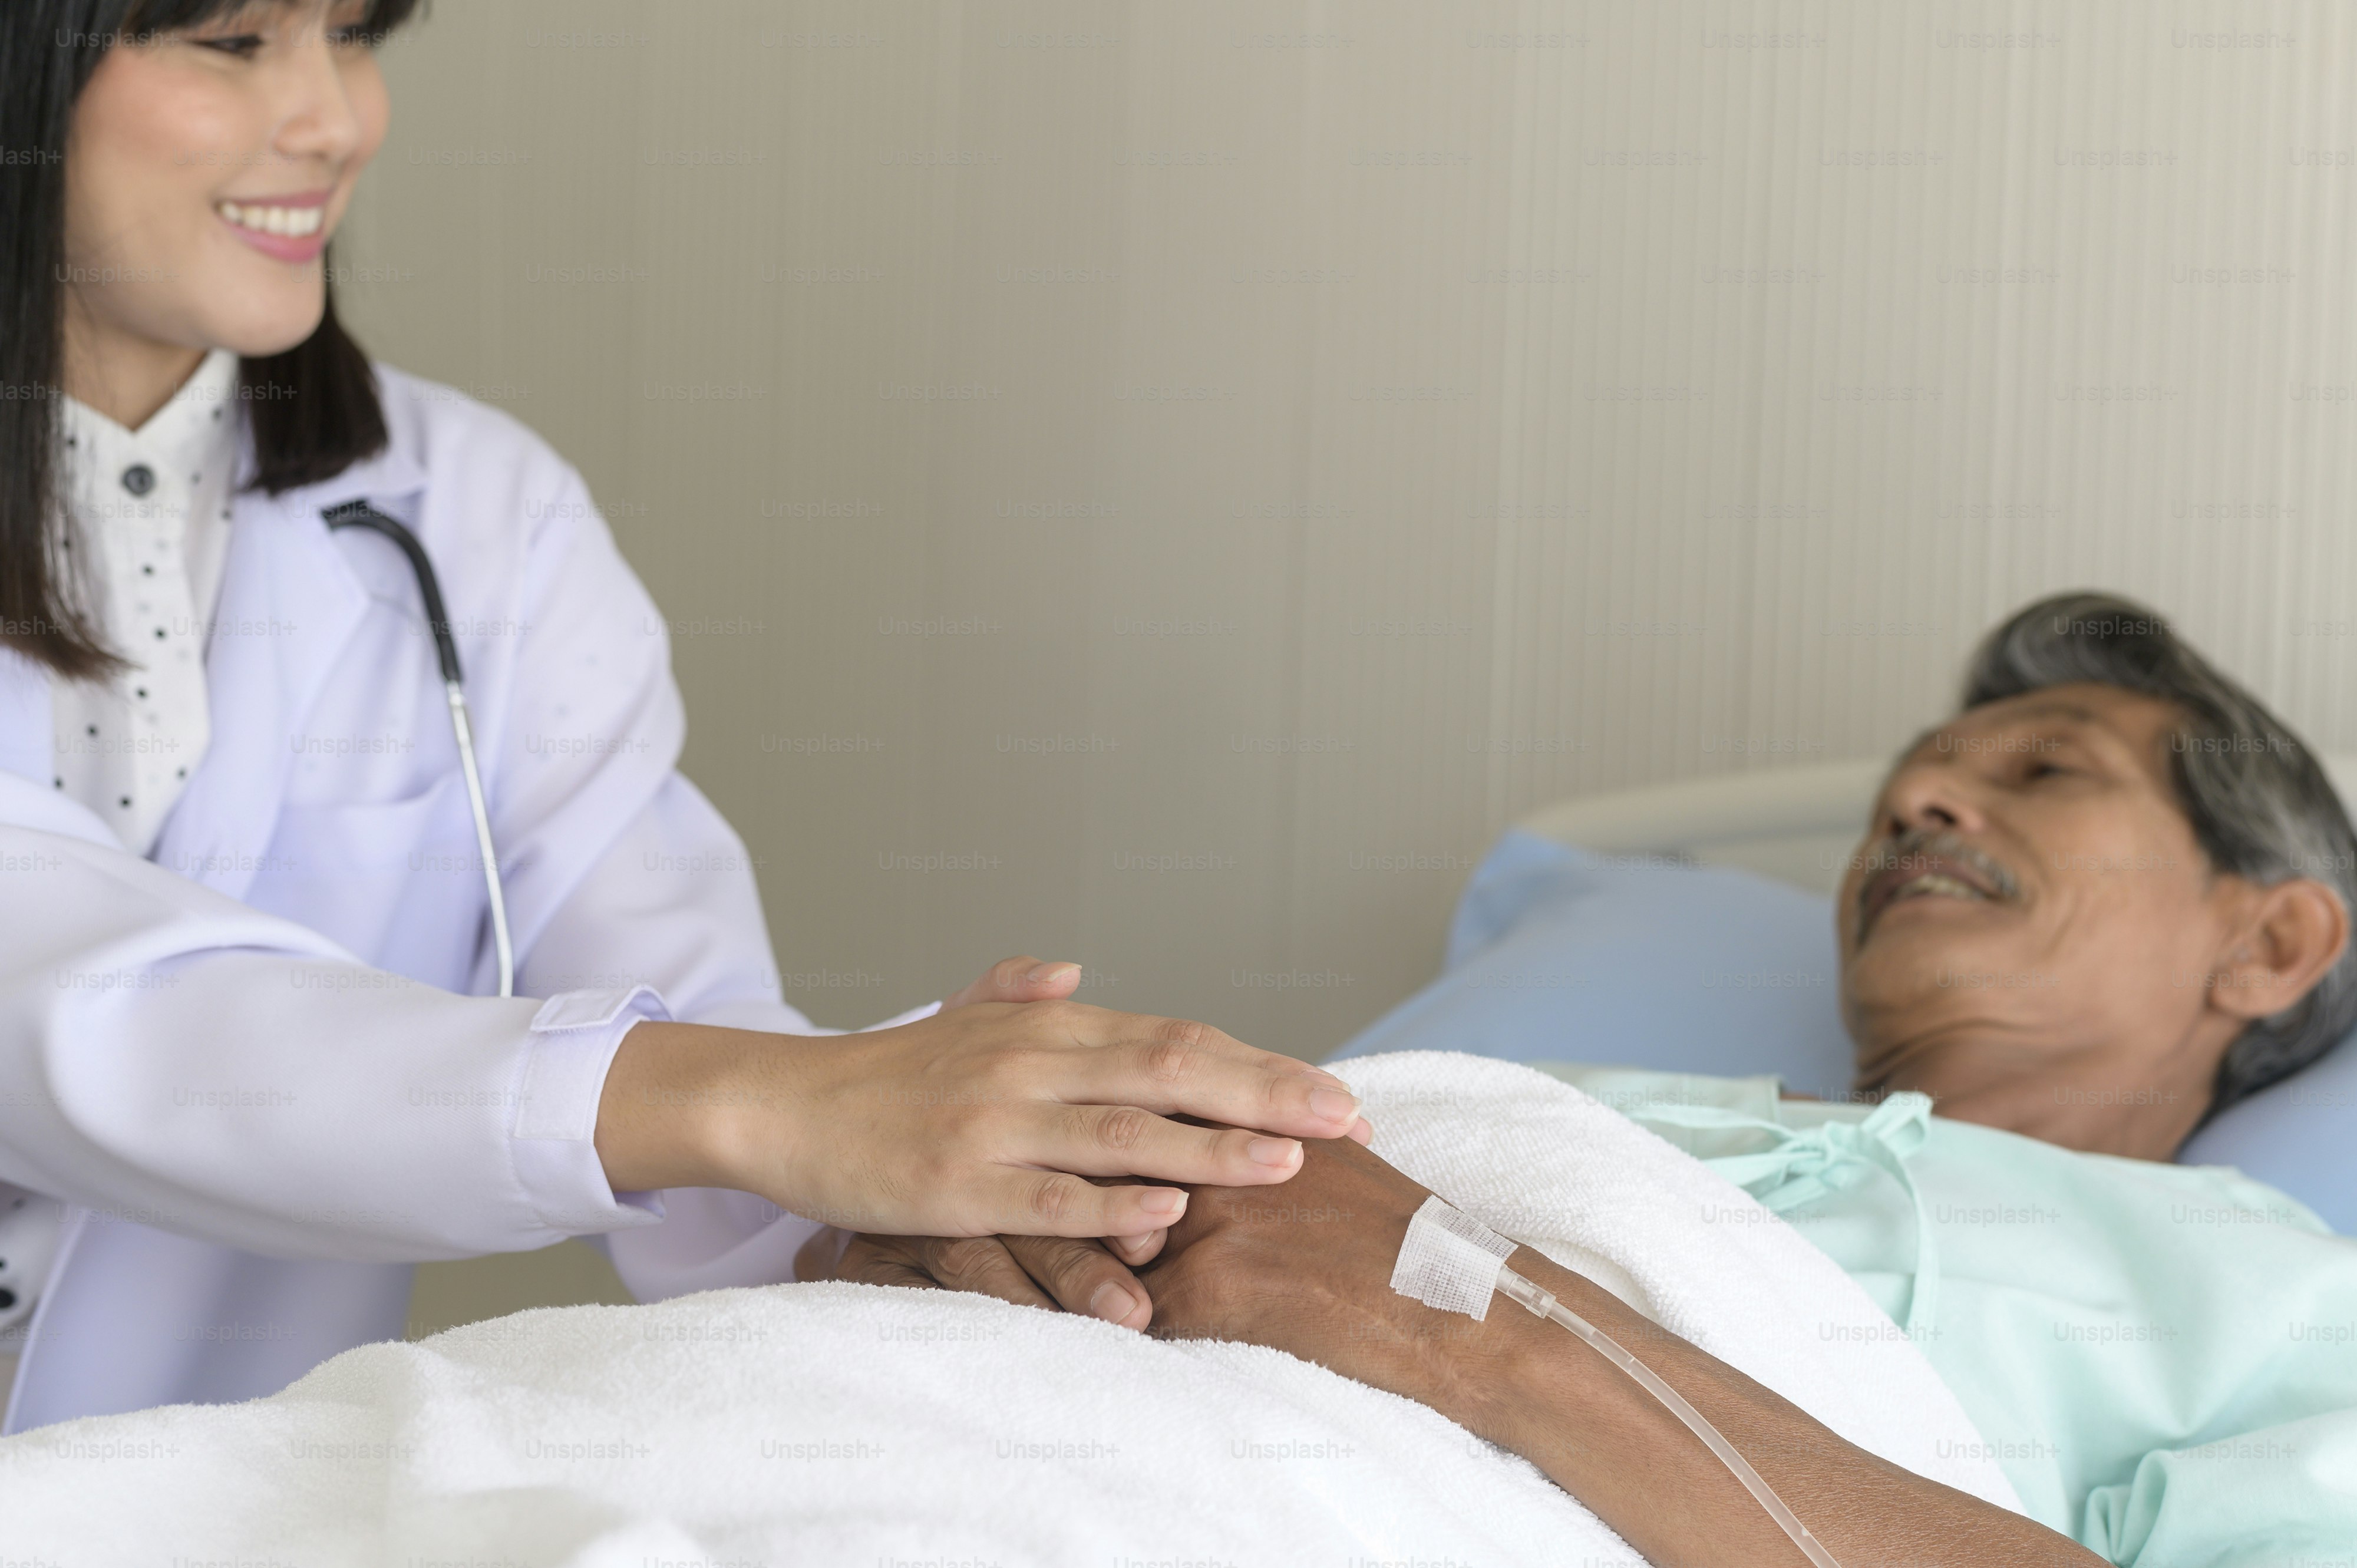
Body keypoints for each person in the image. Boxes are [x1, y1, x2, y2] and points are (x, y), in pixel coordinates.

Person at [0, 0, 1371, 1433]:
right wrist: (778, 1104)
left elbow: (686, 1015)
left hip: (184, 1498)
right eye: (232, 43)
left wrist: (957, 1185)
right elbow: (86, 1003)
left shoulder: (474, 512)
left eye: (351, 34)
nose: (336, 120)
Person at [829, 595, 2357, 1564]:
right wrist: (932, 1232)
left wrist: (1499, 1330)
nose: (1919, 799)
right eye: (1906, 788)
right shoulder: (1532, 1098)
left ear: (2275, 935)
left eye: (2043, 769)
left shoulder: (2271, 1292)